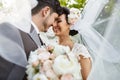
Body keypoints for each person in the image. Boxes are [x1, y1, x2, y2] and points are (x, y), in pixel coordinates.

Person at [0, 0, 62, 80]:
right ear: (46, 11)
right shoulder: (10, 30)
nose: (54, 24)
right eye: (55, 19)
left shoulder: (40, 39)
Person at [52, 7, 91, 80]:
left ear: (70, 24)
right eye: (53, 21)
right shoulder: (49, 47)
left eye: (58, 21)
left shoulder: (80, 51)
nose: (54, 25)